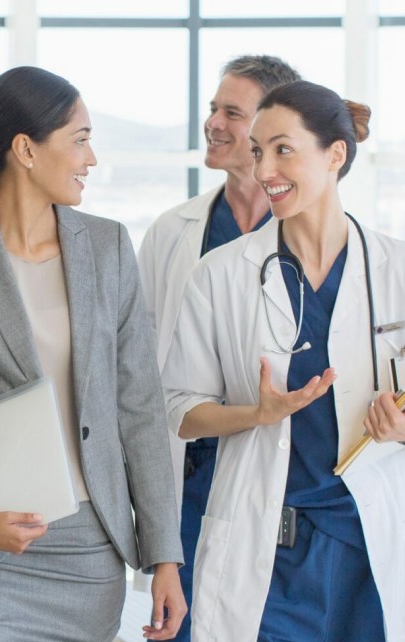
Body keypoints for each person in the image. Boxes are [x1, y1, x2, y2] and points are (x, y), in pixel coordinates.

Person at [161, 80, 405, 642]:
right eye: (258, 151)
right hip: (268, 558)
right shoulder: (221, 273)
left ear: (335, 155)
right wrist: (254, 414)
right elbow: (181, 410)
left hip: (374, 551)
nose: (265, 169)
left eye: (284, 149)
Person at [0, 66, 185, 642]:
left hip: (89, 553)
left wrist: (164, 558)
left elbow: (141, 412)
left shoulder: (108, 247)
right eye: (79, 140)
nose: (91, 159)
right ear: (25, 148)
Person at [136, 54, 299, 640]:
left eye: (232, 111)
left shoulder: (308, 235)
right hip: (188, 481)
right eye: (213, 109)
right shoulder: (172, 232)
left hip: (276, 487)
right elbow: (143, 371)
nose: (214, 123)